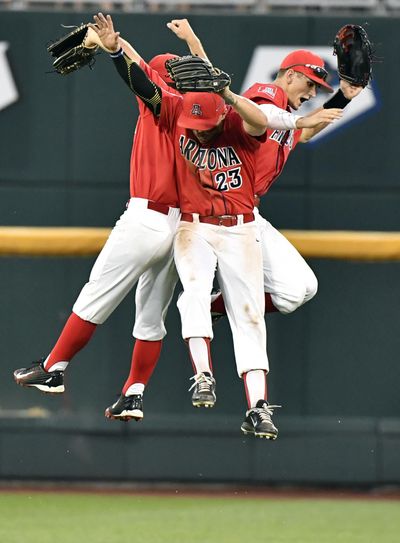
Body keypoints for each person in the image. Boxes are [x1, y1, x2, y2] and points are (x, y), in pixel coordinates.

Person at [88, 14, 342, 438]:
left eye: (317, 90)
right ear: (292, 75)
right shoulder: (257, 100)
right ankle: (213, 373)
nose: (312, 94)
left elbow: (298, 125)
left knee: (297, 290)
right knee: (210, 303)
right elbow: (184, 88)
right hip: (199, 224)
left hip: (245, 221)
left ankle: (210, 307)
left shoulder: (261, 119)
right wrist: (126, 48)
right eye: (310, 85)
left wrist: (344, 99)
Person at [13, 31, 187, 422]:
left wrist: (112, 51)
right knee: (151, 316)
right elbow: (147, 72)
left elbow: (142, 78)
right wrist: (118, 43)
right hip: (181, 228)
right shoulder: (200, 111)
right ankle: (134, 393)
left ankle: (54, 367)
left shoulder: (162, 105)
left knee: (96, 295)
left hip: (146, 217)